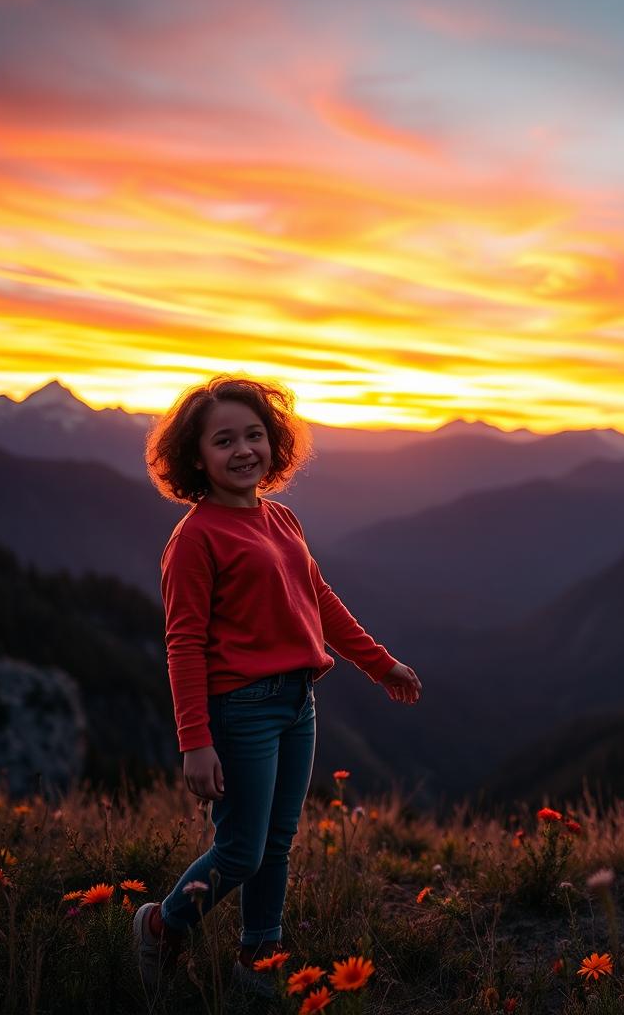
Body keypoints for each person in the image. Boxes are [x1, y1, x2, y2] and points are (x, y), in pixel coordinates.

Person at [134, 373, 422, 997]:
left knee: (277, 844)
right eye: (224, 441)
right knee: (240, 850)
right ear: (195, 456)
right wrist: (195, 740)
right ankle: (160, 925)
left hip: (297, 704)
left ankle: (258, 959)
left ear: (275, 443)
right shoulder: (194, 539)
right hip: (240, 711)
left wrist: (380, 663)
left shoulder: (280, 517)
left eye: (255, 435)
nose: (244, 451)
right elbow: (183, 643)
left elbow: (317, 597)